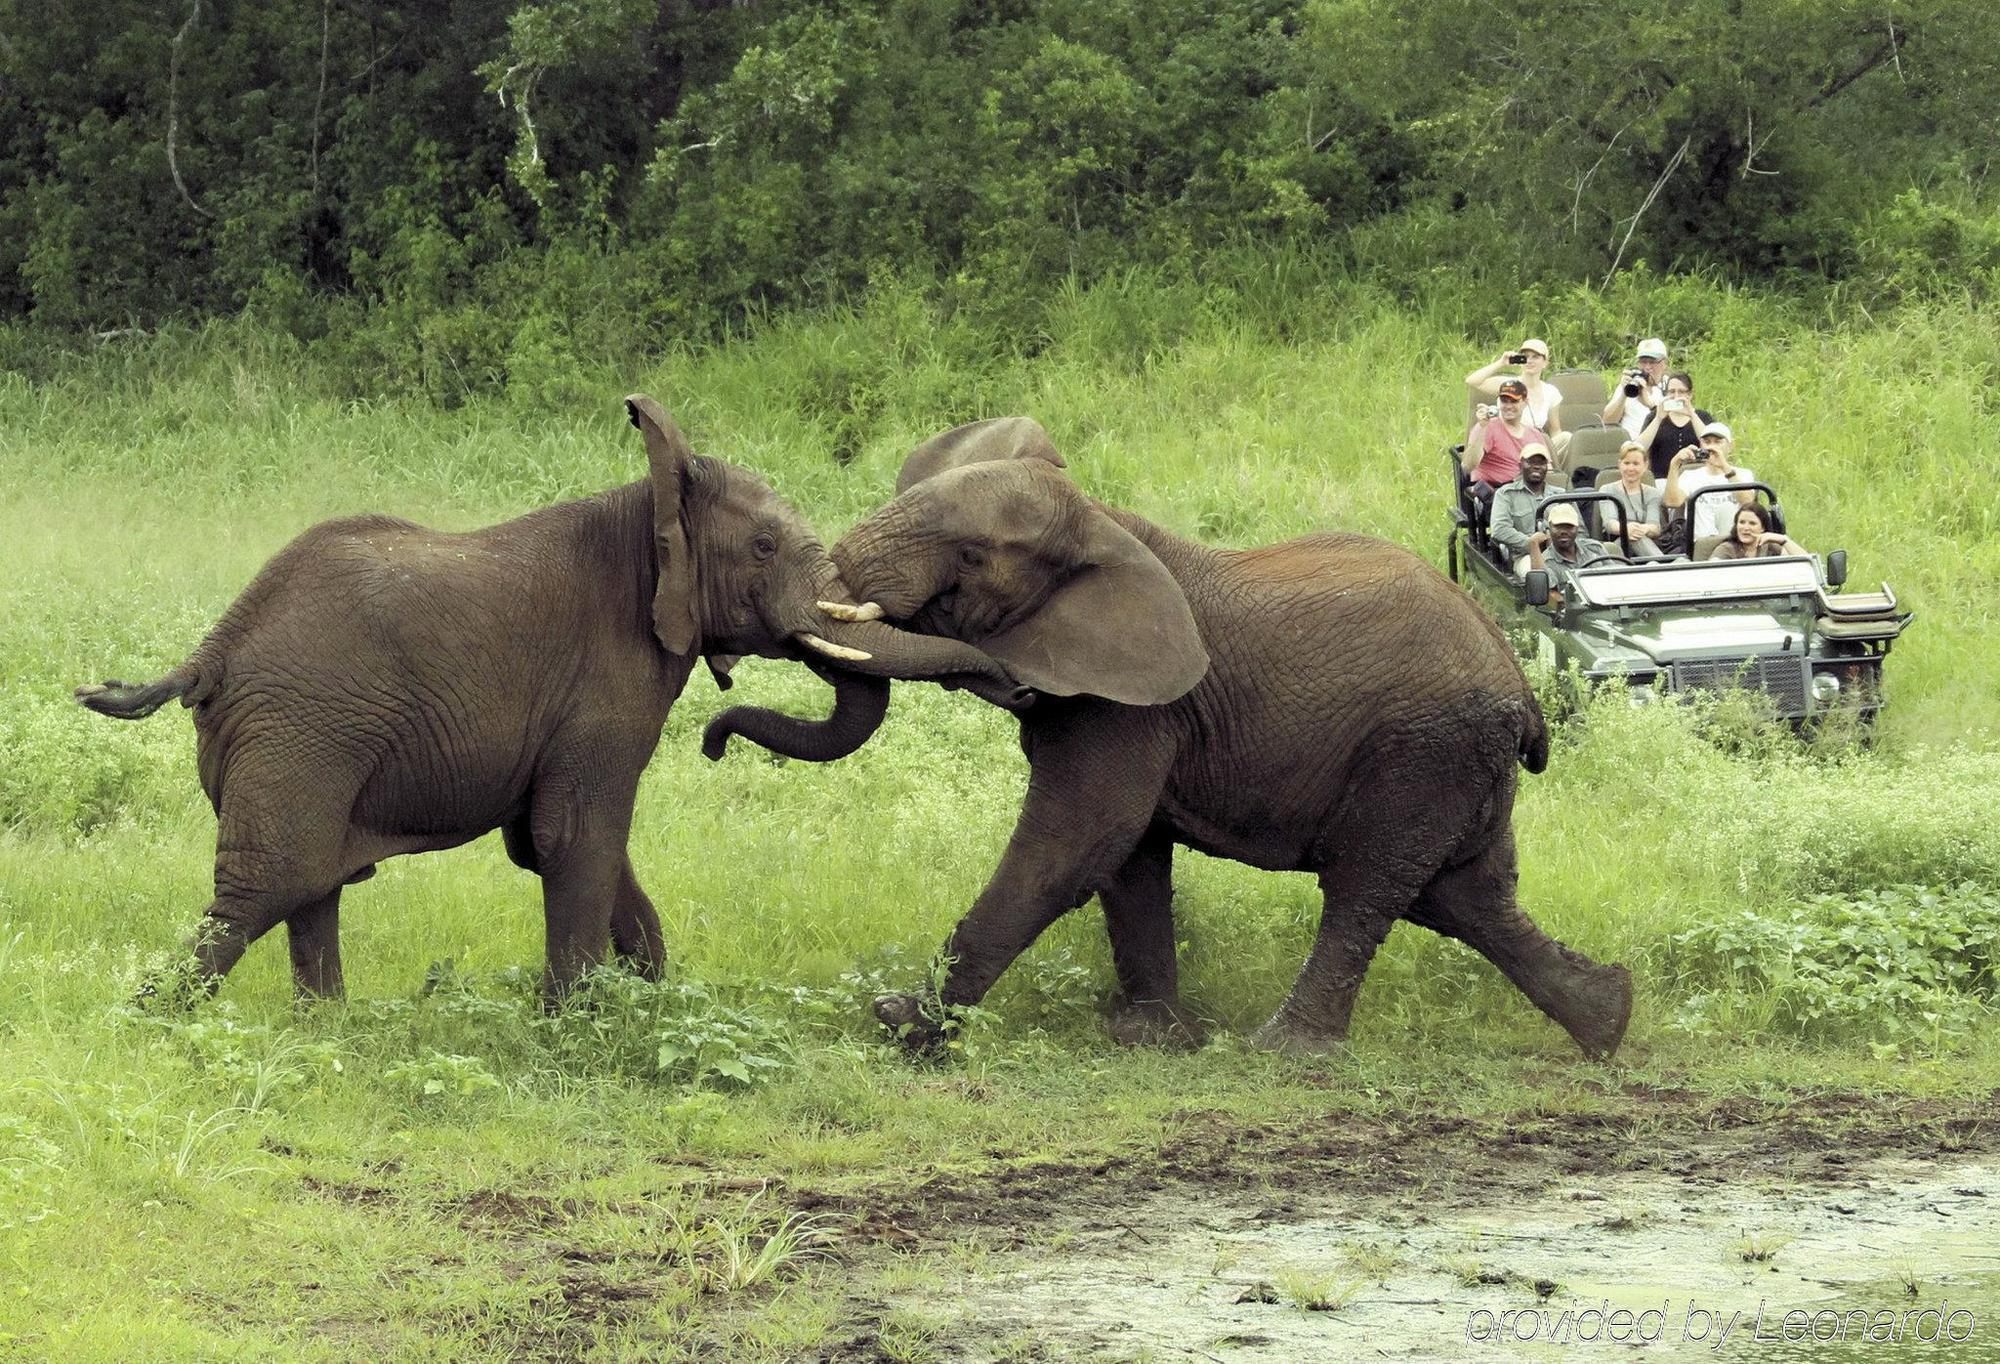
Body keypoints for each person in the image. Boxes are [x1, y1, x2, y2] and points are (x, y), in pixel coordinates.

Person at [1467, 338, 1568, 458]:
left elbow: (1555, 430)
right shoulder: (1507, 384)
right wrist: (1501, 363)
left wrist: (1557, 447)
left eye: (1535, 357)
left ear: (1545, 362)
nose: (1529, 361)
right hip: (1509, 444)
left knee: (1566, 437)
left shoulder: (1551, 392)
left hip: (1537, 446)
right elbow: (1471, 381)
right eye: (1525, 357)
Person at [1664, 423, 1756, 543]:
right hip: (1700, 544)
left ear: (1730, 446)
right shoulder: (1690, 475)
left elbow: (1748, 502)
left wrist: (1724, 466)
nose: (1712, 447)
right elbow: (1672, 502)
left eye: (1718, 442)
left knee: (1726, 508)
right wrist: (1675, 464)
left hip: (1734, 543)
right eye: (1707, 442)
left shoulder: (1743, 474)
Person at [1462, 377, 1548, 497]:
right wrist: (1482, 427)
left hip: (1532, 491)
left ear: (1525, 402)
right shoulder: (1487, 427)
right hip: (1499, 493)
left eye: (1514, 401)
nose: (1508, 406)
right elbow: (1468, 464)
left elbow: (1549, 470)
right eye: (1504, 401)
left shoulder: (1535, 434)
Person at [1486, 442, 1554, 577]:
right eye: (1530, 462)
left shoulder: (1560, 494)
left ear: (1547, 467)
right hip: (1525, 556)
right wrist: (1531, 544)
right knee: (1539, 577)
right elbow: (1499, 529)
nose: (1536, 466)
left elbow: (1580, 530)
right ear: (1520, 465)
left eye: (1541, 463)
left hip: (1562, 553)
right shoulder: (1506, 494)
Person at [1527, 503, 1611, 606]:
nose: (1563, 532)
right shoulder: (1546, 561)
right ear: (1549, 529)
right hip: (1575, 613)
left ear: (1577, 528)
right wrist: (1533, 544)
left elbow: (1616, 576)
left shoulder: (1594, 548)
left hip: (1608, 604)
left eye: (1569, 527)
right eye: (1558, 527)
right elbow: (1546, 593)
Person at [1637, 371, 1713, 479]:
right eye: (1672, 391)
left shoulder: (1703, 416)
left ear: (1690, 394)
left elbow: (1711, 443)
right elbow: (1639, 448)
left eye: (1681, 392)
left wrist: (1692, 414)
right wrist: (1658, 418)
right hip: (1661, 479)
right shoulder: (1654, 416)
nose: (1676, 396)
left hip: (1697, 479)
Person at [1596, 441, 1665, 558]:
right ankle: (1663, 567)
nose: (1631, 468)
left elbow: (1655, 527)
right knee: (1632, 537)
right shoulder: (1607, 490)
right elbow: (1609, 523)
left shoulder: (1653, 493)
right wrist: (1626, 529)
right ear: (1619, 464)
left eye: (1636, 463)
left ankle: (1656, 564)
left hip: (1647, 543)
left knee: (1636, 536)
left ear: (1645, 465)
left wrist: (1643, 529)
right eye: (1626, 463)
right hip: (1617, 545)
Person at [1602, 338, 1669, 439]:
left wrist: (1650, 404)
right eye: (1643, 362)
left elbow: (1677, 421)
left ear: (1664, 364)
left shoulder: (1670, 386)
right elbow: (1607, 422)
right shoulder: (1630, 384)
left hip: (1660, 445)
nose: (1647, 367)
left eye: (1652, 362)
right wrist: (1624, 394)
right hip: (1631, 447)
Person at [1709, 503, 1806, 559]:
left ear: (1763, 527)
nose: (1746, 528)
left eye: (1752, 523)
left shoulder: (1771, 548)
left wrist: (1784, 540)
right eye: (1742, 522)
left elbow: (1807, 565)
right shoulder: (1726, 549)